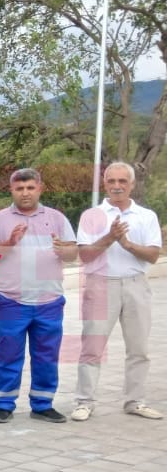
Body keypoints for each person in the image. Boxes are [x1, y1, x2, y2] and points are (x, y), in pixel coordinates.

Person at [72, 161, 163, 421]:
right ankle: (84, 401)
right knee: (92, 346)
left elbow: (153, 254)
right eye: (111, 181)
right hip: (101, 283)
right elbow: (85, 255)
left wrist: (127, 244)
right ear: (105, 183)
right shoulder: (92, 215)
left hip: (135, 284)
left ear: (132, 184)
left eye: (123, 181)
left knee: (139, 348)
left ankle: (135, 401)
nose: (117, 186)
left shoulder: (146, 216)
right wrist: (109, 238)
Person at [0, 168, 76, 423]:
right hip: (11, 300)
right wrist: (10, 242)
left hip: (49, 301)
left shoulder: (57, 218)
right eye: (19, 188)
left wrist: (63, 249)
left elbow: (72, 254)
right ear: (11, 190)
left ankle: (43, 404)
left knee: (46, 356)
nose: (25, 193)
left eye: (30, 187)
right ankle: (4, 404)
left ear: (40, 188)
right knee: (8, 355)